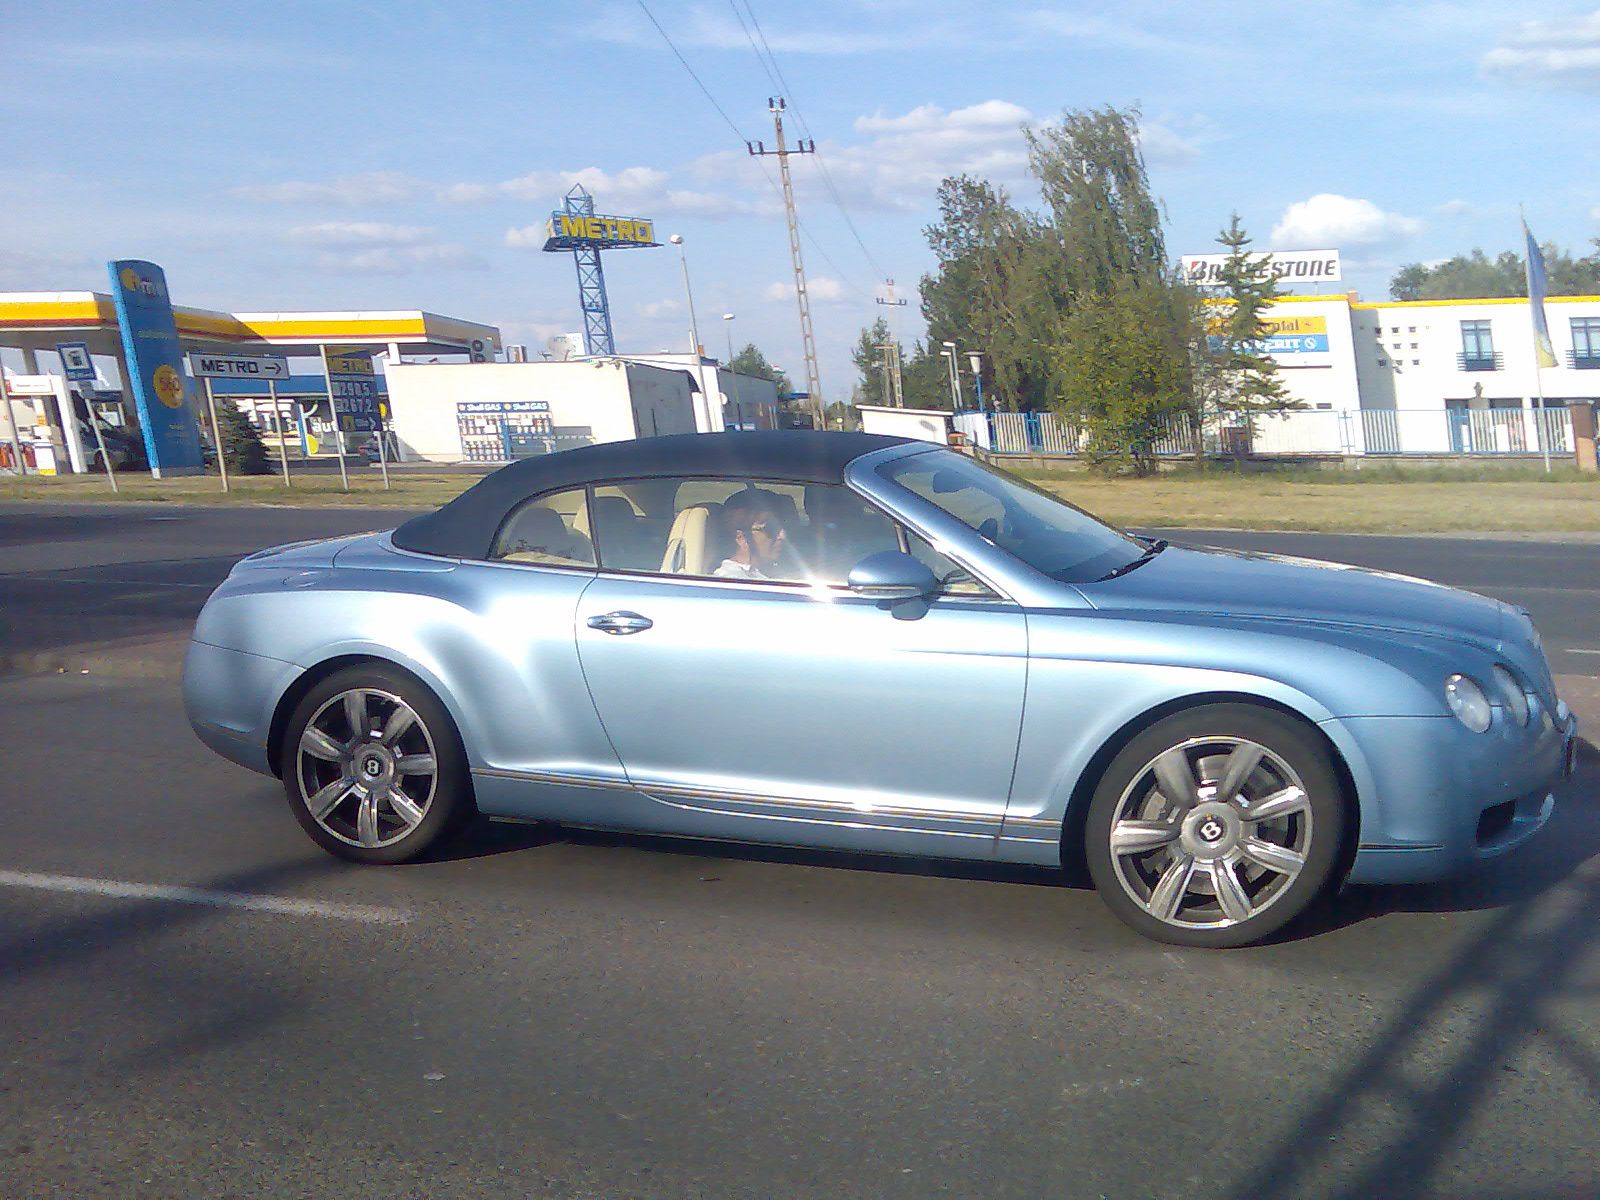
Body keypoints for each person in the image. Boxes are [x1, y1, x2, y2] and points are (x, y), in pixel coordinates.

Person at [713, 490, 788, 580]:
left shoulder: (768, 570)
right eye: (770, 528)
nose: (782, 535)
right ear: (740, 538)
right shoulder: (733, 581)